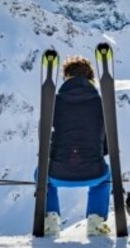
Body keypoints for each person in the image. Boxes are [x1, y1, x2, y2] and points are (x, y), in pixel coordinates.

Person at [38, 55, 111, 237]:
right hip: (95, 172)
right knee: (105, 178)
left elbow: (44, 139)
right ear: (90, 78)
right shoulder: (101, 103)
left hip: (57, 173)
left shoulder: (53, 102)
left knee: (40, 175)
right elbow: (107, 145)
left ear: (66, 76)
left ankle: (50, 221)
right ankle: (96, 222)